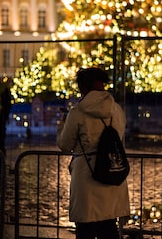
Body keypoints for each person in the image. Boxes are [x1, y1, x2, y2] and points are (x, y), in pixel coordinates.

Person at [57, 67, 130, 239]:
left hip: (86, 175)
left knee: (85, 228)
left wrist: (62, 125)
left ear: (82, 87)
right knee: (109, 226)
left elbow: (65, 145)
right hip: (112, 172)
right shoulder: (117, 110)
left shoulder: (77, 112)